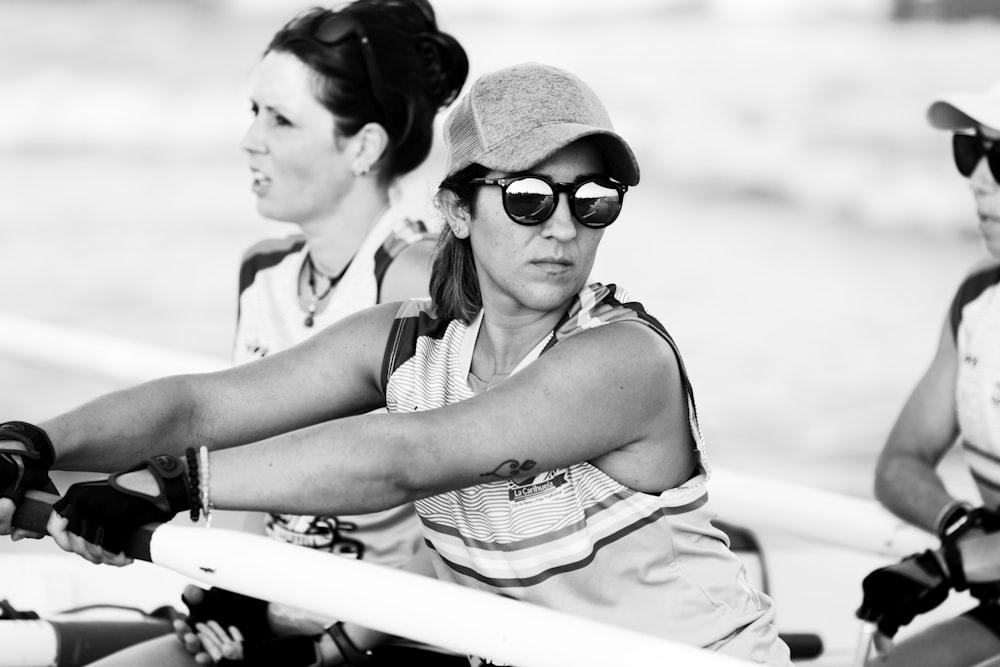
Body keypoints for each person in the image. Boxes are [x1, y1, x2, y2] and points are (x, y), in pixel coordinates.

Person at [0, 62, 792, 666]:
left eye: (593, 200)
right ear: (456, 208)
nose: (562, 227)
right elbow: (198, 408)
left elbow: (405, 457)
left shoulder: (622, 358)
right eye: (528, 197)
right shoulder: (406, 341)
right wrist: (34, 442)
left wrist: (166, 487)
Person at [6, 2, 469, 665]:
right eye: (253, 112)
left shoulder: (416, 283)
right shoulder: (264, 272)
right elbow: (216, 425)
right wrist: (225, 595)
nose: (250, 139)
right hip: (263, 615)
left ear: (363, 146)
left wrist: (327, 646)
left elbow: (458, 516)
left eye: (280, 119)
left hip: (384, 634)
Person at [858, 80, 1000, 667]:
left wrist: (953, 564)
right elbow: (900, 462)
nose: (979, 178)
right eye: (970, 151)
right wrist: (958, 525)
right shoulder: (977, 302)